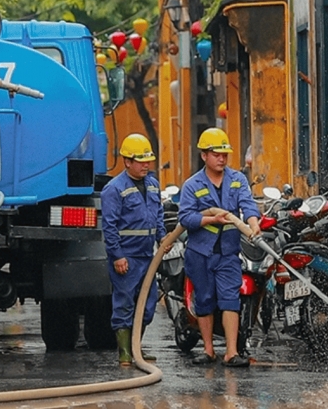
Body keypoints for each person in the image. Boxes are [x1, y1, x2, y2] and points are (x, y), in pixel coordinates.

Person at [177, 128, 261, 368]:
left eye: (224, 154)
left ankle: (231, 352)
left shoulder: (238, 180)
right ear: (204, 155)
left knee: (230, 299)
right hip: (200, 253)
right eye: (216, 154)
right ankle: (208, 349)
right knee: (204, 299)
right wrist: (210, 219)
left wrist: (253, 224)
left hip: (228, 253)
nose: (222, 159)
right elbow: (185, 219)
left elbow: (248, 204)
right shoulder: (192, 185)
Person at [100, 133, 165, 366]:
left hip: (148, 256)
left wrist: (163, 239)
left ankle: (137, 348)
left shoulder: (153, 185)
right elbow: (109, 226)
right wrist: (117, 255)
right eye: (141, 160)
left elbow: (158, 216)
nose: (146, 165)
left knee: (147, 306)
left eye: (148, 160)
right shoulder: (114, 189)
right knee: (125, 304)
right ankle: (125, 353)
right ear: (127, 161)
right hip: (127, 258)